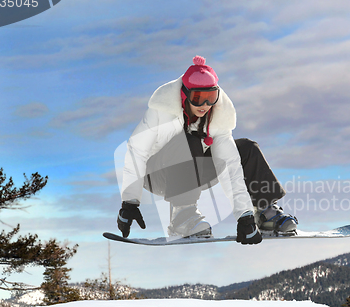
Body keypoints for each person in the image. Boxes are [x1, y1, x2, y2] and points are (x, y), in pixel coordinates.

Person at [117, 56, 298, 244]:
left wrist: (244, 216)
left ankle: (264, 212)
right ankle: (182, 216)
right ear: (184, 94)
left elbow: (230, 165)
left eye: (210, 98)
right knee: (189, 140)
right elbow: (136, 151)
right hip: (157, 174)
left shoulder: (217, 116)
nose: (204, 105)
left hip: (194, 171)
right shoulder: (162, 111)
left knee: (246, 148)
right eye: (197, 98)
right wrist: (129, 202)